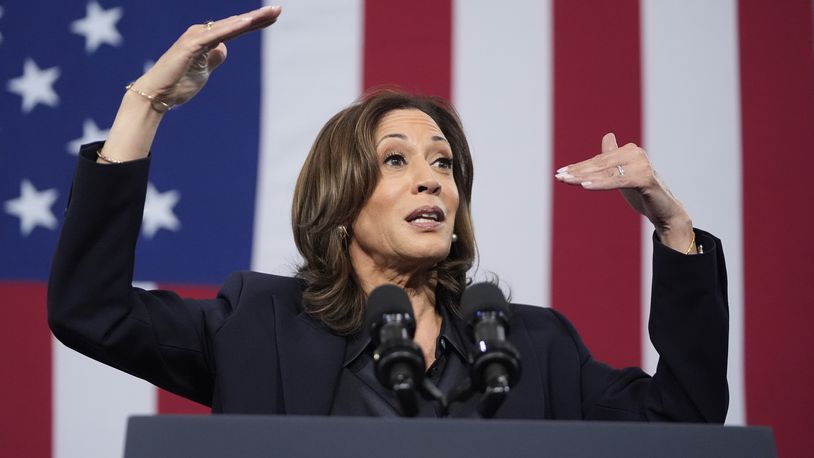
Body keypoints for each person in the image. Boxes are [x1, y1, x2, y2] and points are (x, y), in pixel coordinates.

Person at [47, 6, 729, 420]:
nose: (432, 181)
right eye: (397, 160)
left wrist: (674, 233)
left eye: (444, 164)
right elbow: (90, 310)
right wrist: (145, 107)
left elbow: (684, 420)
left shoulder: (534, 348)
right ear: (340, 204)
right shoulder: (257, 326)